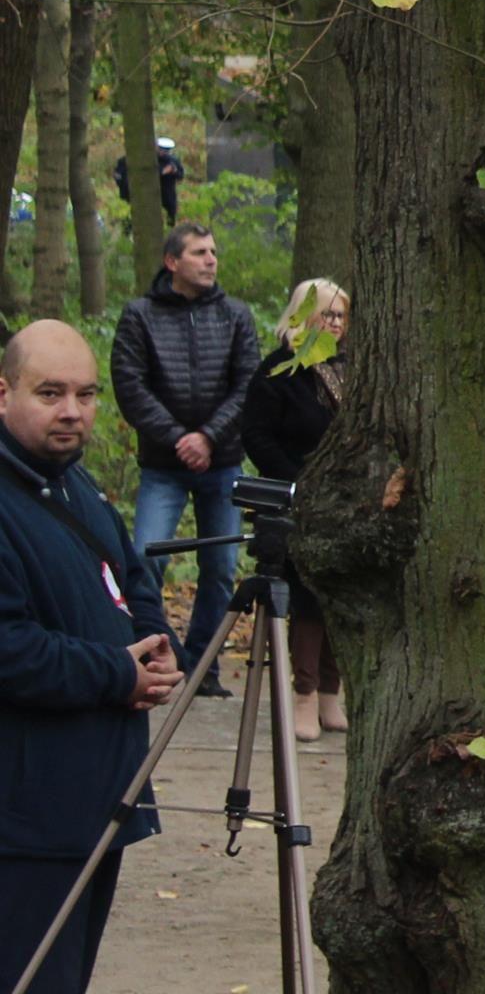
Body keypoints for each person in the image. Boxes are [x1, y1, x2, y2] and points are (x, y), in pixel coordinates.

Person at [0, 319, 178, 994]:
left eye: (82, 395)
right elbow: (9, 647)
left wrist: (154, 643)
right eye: (50, 393)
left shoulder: (72, 486)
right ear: (6, 394)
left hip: (98, 797)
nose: (71, 411)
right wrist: (119, 671)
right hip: (25, 804)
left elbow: (135, 582)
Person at [109, 223, 260, 693]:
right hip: (163, 465)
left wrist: (209, 438)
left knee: (219, 568)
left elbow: (248, 384)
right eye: (199, 252)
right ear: (172, 262)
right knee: (145, 557)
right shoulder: (140, 316)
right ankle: (160, 651)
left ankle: (203, 668)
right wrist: (180, 438)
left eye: (214, 251)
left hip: (223, 462)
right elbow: (130, 385)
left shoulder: (236, 316)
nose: (211, 259)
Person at [242, 279, 349, 742]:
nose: (336, 324)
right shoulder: (276, 371)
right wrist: (297, 484)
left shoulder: (349, 371)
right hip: (295, 497)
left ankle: (332, 693)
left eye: (342, 316)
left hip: (345, 500)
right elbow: (257, 436)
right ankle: (302, 695)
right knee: (305, 595)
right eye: (327, 314)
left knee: (341, 597)